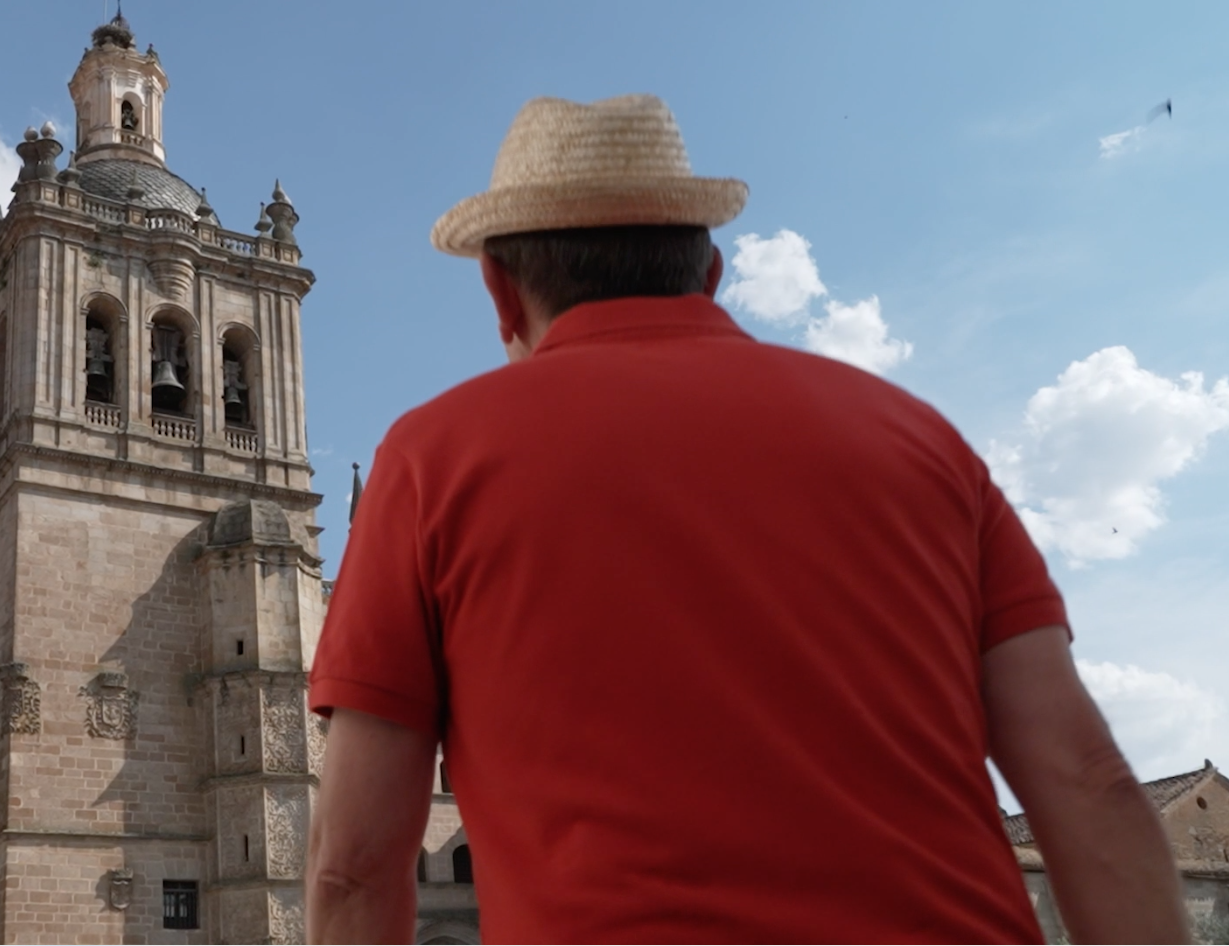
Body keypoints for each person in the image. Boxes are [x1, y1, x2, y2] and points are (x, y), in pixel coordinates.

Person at [304, 94, 1190, 944]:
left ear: (500, 289)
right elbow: (1091, 785)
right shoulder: (921, 440)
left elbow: (352, 866)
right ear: (711, 271)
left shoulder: (432, 458)